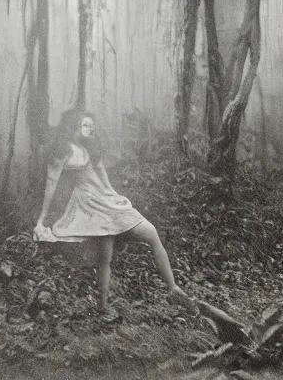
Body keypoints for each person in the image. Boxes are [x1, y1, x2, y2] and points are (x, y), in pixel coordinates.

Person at [33, 109, 196, 321]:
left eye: (92, 125)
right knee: (105, 256)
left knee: (151, 233)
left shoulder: (90, 148)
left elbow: (102, 176)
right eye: (85, 125)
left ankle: (173, 289)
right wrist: (41, 219)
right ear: (72, 126)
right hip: (89, 205)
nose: (90, 129)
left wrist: (115, 195)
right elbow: (51, 184)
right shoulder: (62, 152)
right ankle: (103, 307)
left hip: (104, 200)